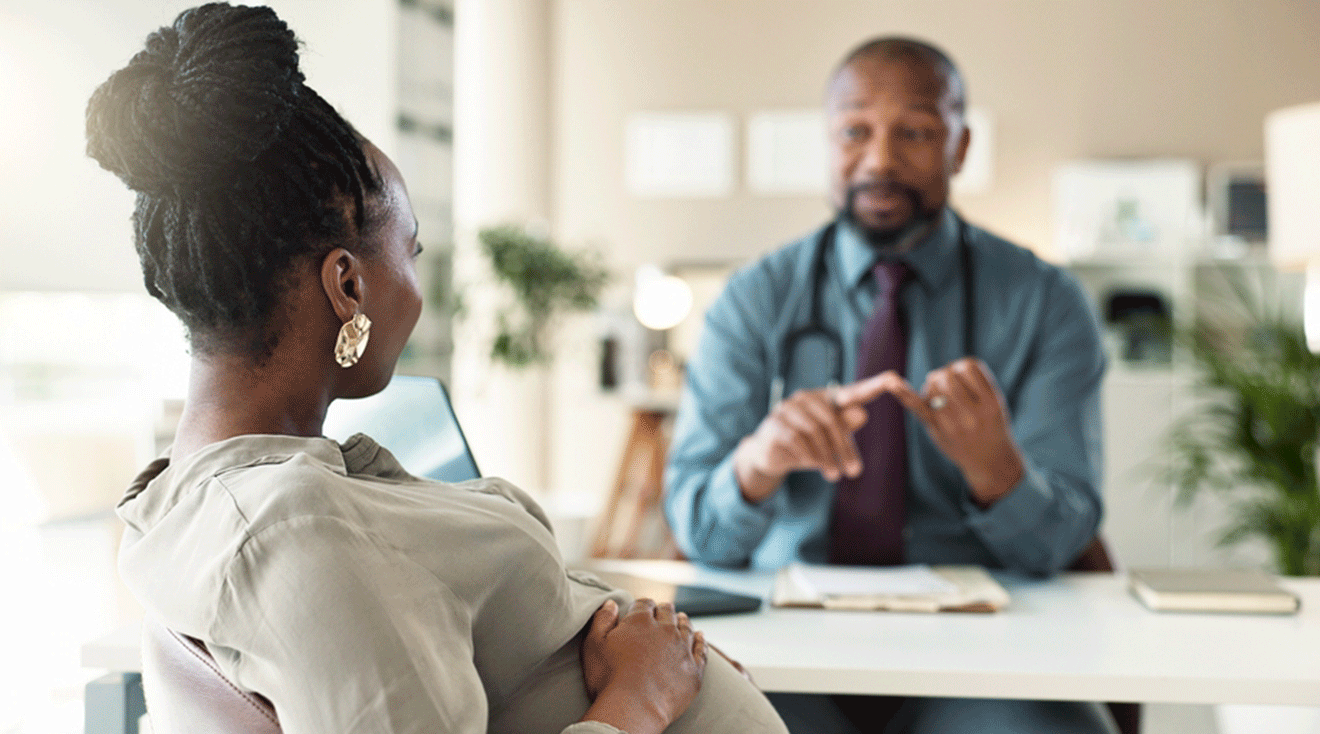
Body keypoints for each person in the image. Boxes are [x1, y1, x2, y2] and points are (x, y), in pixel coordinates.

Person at [88, 5, 787, 734]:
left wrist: (664, 661)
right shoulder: (294, 531)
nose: (419, 285)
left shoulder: (234, 495)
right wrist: (641, 698)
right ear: (347, 286)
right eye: (412, 250)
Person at [663, 37, 1113, 734]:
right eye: (855, 130)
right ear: (827, 142)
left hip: (986, 654)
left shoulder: (1046, 302)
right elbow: (697, 528)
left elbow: (1063, 543)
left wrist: (999, 471)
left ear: (960, 146)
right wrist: (758, 464)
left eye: (916, 131)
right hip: (787, 646)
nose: (879, 159)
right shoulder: (753, 298)